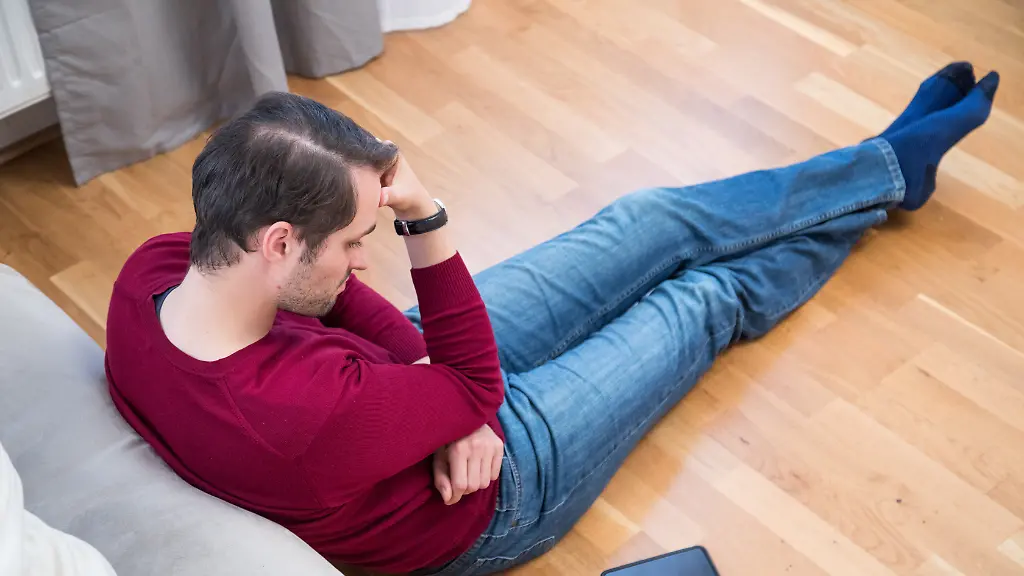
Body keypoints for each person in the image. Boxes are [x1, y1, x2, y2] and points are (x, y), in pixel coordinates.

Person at [104, 62, 999, 575]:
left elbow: (352, 308)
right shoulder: (296, 416)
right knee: (700, 300)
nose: (362, 260)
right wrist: (424, 218)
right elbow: (464, 382)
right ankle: (885, 184)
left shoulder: (161, 271)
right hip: (492, 493)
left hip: (419, 402)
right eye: (352, 241)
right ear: (279, 242)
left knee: (646, 220)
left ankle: (887, 166)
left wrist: (449, 402)